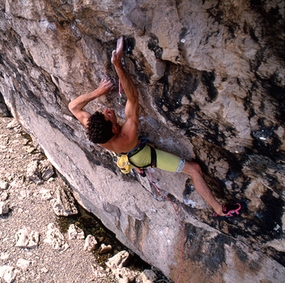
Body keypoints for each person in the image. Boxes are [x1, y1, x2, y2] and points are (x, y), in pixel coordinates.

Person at [68, 37, 241, 217]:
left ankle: (137, 166)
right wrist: (118, 65)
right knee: (194, 169)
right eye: (109, 116)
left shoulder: (96, 131)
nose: (107, 110)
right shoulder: (127, 133)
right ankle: (219, 210)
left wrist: (98, 91)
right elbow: (132, 96)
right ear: (113, 129)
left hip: (121, 153)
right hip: (140, 154)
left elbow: (73, 107)